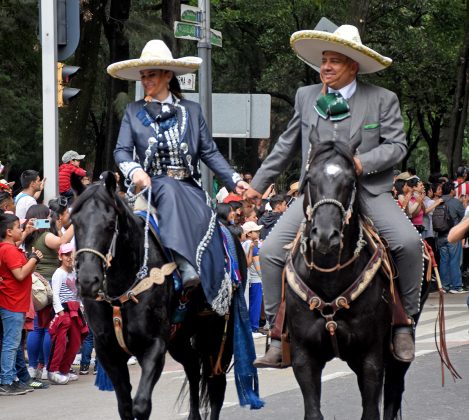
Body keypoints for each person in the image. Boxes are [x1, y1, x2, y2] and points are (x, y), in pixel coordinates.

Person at [246, 24, 422, 366]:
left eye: (334, 61)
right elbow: (285, 146)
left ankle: (404, 323)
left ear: (353, 65)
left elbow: (397, 147)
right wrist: (257, 185)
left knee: (409, 243)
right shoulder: (306, 96)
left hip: (367, 190)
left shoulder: (382, 99)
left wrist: (361, 163)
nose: (326, 67)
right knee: (268, 252)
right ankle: (276, 332)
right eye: (324, 60)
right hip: (317, 195)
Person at [109, 39, 249, 310]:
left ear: (167, 75)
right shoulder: (133, 111)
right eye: (144, 75)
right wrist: (136, 171)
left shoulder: (192, 110)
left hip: (188, 184)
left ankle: (219, 283)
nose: (146, 80)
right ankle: (176, 267)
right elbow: (121, 152)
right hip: (149, 186)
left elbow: (208, 151)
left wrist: (235, 180)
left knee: (209, 216)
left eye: (151, 75)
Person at [0, 212, 43, 396]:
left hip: (13, 302)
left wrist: (34, 259)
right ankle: (6, 381)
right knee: (11, 344)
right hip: (12, 303)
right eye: (18, 227)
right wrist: (34, 258)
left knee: (13, 344)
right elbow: (19, 274)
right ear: (9, 232)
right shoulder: (8, 250)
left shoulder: (8, 248)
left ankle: (13, 378)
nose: (21, 230)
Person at [48, 243, 86, 385]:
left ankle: (64, 369)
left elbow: (77, 291)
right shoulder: (58, 273)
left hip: (75, 310)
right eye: (66, 254)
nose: (69, 257)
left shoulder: (74, 272)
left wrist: (81, 305)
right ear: (60, 256)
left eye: (71, 254)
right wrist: (61, 312)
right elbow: (55, 294)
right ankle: (53, 370)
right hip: (64, 310)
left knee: (76, 341)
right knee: (60, 341)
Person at [435, 182, 466, 293]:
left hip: (440, 235)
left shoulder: (437, 202)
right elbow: (464, 217)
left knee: (444, 260)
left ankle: (444, 285)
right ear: (452, 190)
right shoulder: (455, 202)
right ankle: (456, 286)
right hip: (453, 235)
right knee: (454, 260)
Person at [241, 221, 264, 335]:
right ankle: (254, 326)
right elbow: (257, 265)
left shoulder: (246, 244)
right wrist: (263, 276)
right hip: (256, 279)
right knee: (256, 304)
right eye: (256, 231)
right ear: (249, 233)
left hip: (250, 279)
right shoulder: (252, 246)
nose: (258, 233)